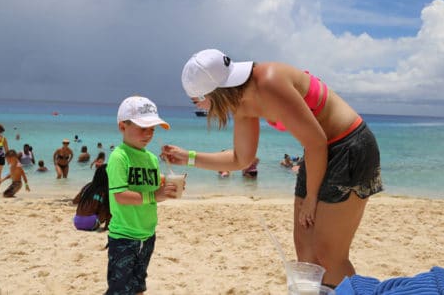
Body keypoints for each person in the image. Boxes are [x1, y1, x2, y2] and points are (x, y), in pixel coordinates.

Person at [161, 49, 383, 288]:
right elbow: (241, 159)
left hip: (348, 146)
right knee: (307, 255)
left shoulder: (268, 82)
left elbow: (317, 142)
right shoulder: (242, 104)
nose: (201, 108)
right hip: (318, 151)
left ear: (214, 92)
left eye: (197, 100)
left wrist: (311, 197)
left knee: (329, 254)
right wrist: (189, 158)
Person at [105, 95, 179, 295]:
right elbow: (121, 195)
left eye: (152, 129)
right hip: (124, 236)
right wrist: (155, 195)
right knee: (119, 289)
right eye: (142, 128)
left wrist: (169, 185)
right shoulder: (119, 157)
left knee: (138, 286)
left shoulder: (151, 159)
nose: (148, 134)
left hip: (147, 235)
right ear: (123, 126)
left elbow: (152, 188)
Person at [73, 164, 111, 231]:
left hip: (76, 222)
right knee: (110, 205)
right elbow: (108, 209)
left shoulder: (88, 186)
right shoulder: (106, 190)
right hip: (91, 223)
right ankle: (107, 227)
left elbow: (75, 201)